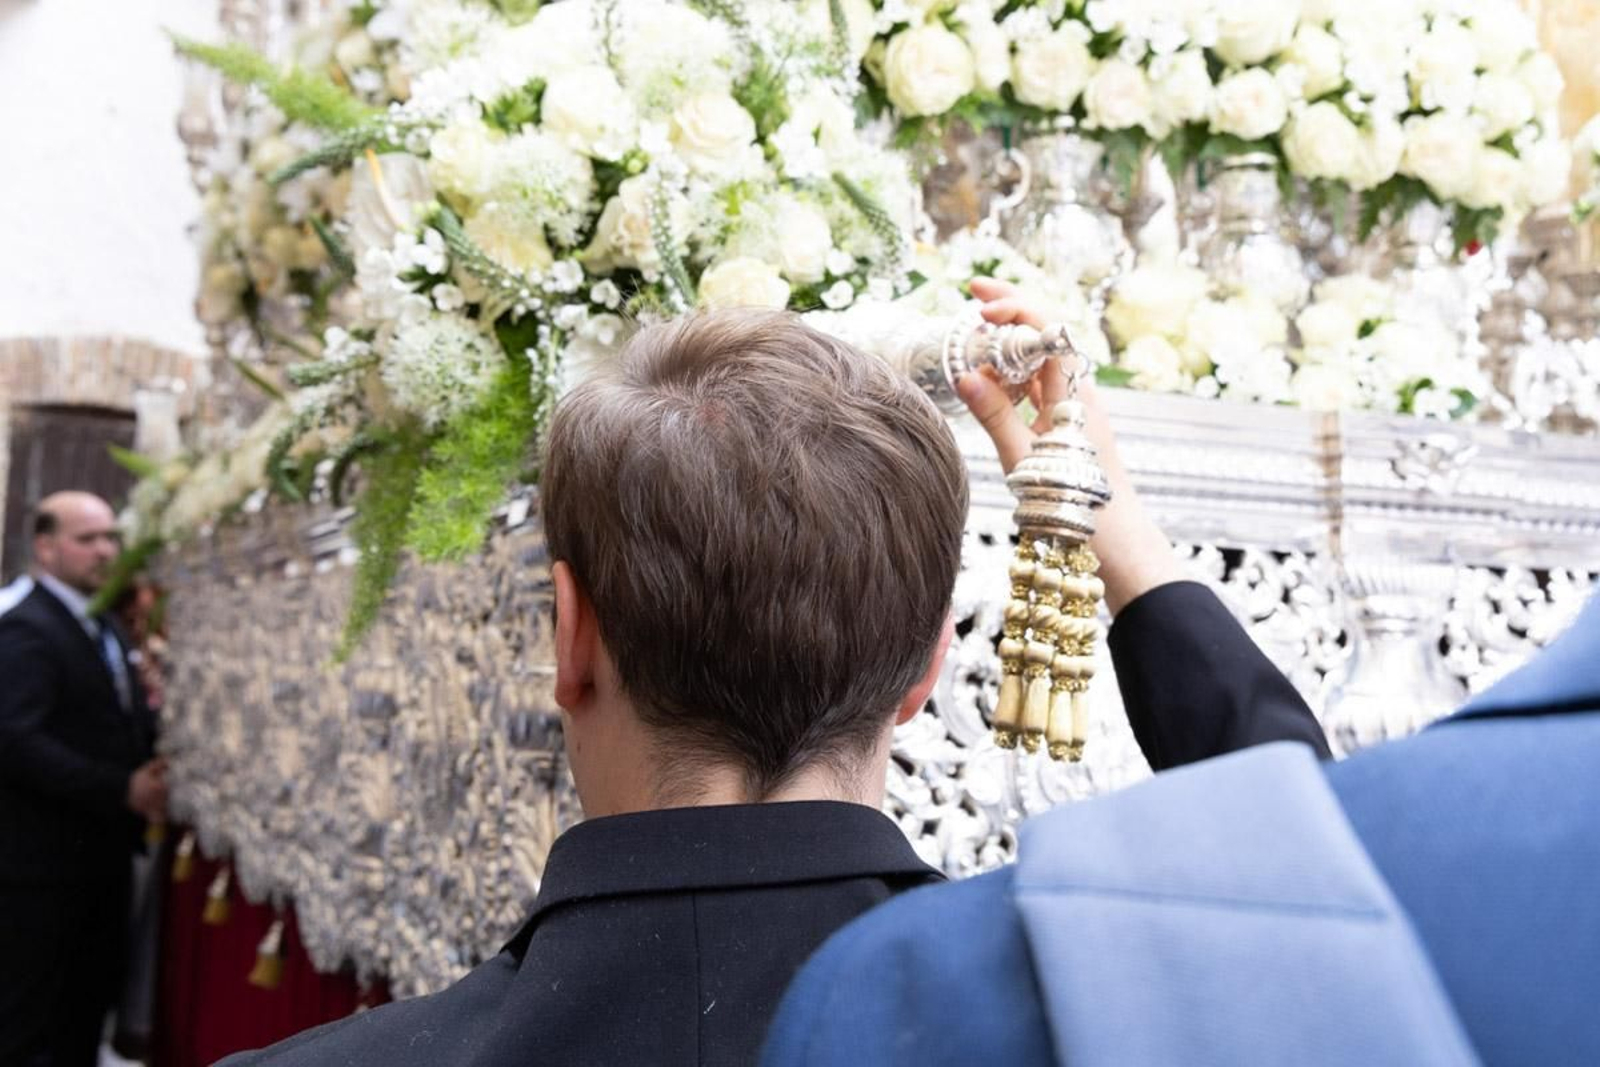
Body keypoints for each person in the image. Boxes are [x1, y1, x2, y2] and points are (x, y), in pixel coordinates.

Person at [220, 297, 1325, 1067]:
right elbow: (1333, 892)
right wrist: (1112, 534)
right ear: (925, 665)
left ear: (569, 636)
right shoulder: (1107, 1025)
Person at [760, 298, 1600, 1067]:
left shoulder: (899, 985)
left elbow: (1311, 872)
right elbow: (1301, 876)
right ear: (928, 662)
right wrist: (1118, 537)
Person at [0, 491, 165, 1067]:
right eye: (87, 538)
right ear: (45, 548)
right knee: (29, 1023)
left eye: (111, 537)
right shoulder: (27, 629)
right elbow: (15, 739)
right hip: (39, 871)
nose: (105, 550)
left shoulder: (102, 626)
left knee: (82, 1015)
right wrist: (121, 787)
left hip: (96, 863)